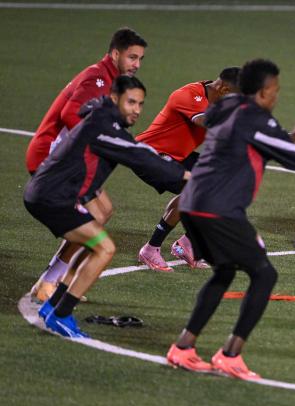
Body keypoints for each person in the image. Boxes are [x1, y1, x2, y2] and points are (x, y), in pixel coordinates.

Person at [166, 59, 295, 379]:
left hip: (192, 203)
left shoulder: (228, 105)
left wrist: (288, 137)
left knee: (225, 271)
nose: (277, 96)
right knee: (264, 275)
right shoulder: (258, 119)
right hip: (218, 208)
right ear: (263, 93)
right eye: (275, 90)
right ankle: (230, 354)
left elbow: (256, 140)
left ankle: (183, 347)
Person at [25, 76, 189, 338]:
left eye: (140, 104)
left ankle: (53, 306)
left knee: (94, 240)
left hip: (54, 193)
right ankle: (61, 314)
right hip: (52, 197)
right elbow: (140, 156)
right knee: (105, 247)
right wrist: (187, 177)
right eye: (131, 102)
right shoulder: (105, 128)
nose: (137, 109)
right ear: (114, 100)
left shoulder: (102, 117)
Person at [27, 27, 148, 303]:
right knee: (96, 215)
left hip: (65, 161)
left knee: (102, 211)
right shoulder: (97, 78)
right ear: (115, 54)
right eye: (132, 57)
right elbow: (70, 114)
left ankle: (55, 280)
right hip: (50, 158)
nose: (136, 65)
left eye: (140, 59)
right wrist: (100, 140)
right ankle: (51, 282)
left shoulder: (111, 80)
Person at [136, 67, 240, 272]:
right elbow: (204, 121)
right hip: (149, 154)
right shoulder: (189, 95)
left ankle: (186, 243)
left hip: (178, 156)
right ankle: (150, 249)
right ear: (225, 89)